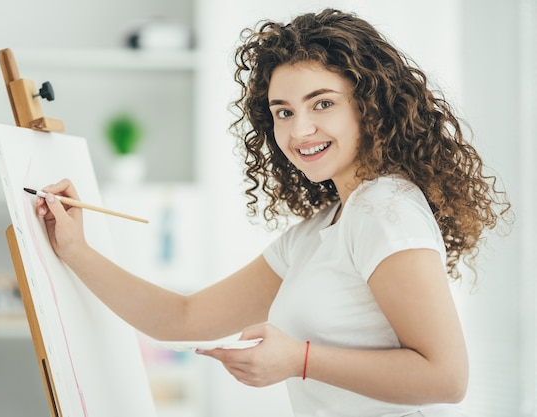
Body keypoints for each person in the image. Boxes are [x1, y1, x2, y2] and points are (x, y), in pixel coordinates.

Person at [34, 7, 512, 417]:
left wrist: (298, 359)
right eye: (282, 112)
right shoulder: (321, 229)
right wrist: (75, 250)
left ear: (369, 106)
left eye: (321, 103)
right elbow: (180, 318)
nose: (300, 130)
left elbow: (447, 378)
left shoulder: (384, 209)